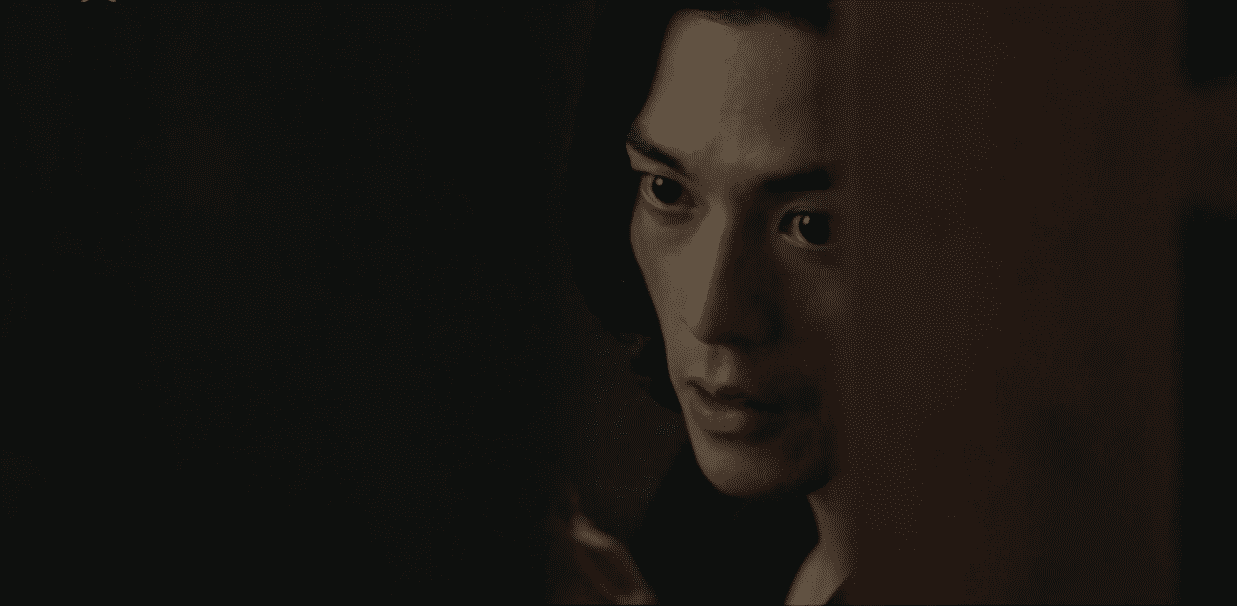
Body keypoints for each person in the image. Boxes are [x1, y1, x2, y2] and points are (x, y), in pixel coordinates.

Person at [549, 0, 1187, 603]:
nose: (714, 314)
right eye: (666, 191)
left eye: (815, 227)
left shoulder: (1050, 564)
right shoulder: (713, 528)